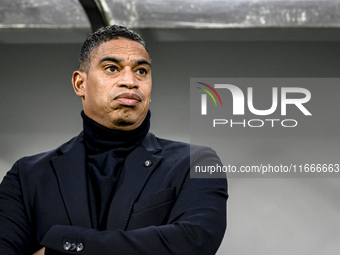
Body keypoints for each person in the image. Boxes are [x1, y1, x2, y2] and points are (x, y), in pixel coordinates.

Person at [0, 25, 228, 255]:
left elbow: (193, 242)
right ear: (80, 84)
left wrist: (58, 249)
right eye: (112, 68)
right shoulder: (27, 176)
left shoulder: (195, 162)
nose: (130, 81)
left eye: (141, 71)